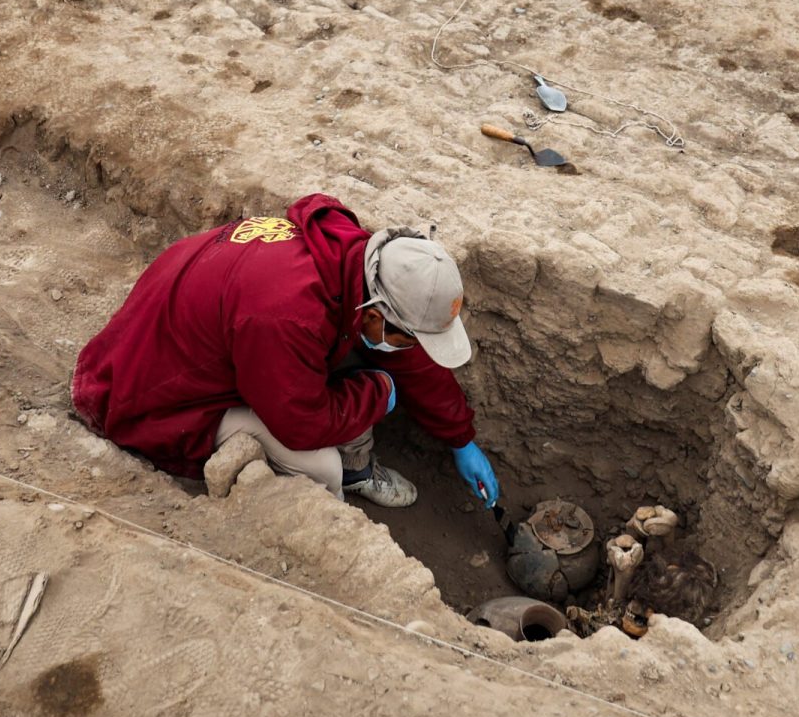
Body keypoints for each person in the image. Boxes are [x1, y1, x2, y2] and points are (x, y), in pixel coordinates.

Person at [71, 193, 500, 509]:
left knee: (361, 365)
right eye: (407, 337)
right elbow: (301, 425)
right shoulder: (287, 319)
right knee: (321, 467)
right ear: (376, 313)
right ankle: (344, 490)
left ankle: (358, 461)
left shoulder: (353, 261)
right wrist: (376, 394)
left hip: (189, 344)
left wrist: (460, 439)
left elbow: (411, 358)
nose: (410, 350)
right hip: (144, 395)